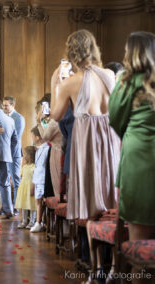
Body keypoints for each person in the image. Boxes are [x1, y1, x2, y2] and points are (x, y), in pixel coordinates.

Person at [50, 29, 120, 220]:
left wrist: (54, 83)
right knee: (108, 182)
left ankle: (90, 245)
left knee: (90, 190)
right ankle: (109, 242)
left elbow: (56, 115)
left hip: (87, 138)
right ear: (93, 48)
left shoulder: (70, 83)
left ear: (71, 53)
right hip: (109, 136)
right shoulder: (109, 74)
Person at [109, 31, 155, 253]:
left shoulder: (126, 80)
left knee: (139, 244)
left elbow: (116, 119)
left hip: (138, 157)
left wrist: (133, 133)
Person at [36, 96, 63, 198]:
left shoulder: (56, 121)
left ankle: (59, 208)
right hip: (66, 151)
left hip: (57, 153)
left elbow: (45, 136)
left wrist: (39, 121)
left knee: (57, 184)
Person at [3, 96, 25, 211]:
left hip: (14, 153)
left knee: (16, 180)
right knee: (5, 181)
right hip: (4, 154)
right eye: (3, 105)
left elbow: (16, 137)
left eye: (6, 105)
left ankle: (17, 207)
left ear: (13, 105)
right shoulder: (3, 117)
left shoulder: (19, 118)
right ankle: (7, 207)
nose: (4, 107)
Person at [30, 126, 50, 233]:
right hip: (37, 178)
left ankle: (39, 222)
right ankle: (39, 222)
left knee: (41, 201)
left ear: (38, 137)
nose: (32, 138)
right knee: (37, 201)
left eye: (32, 136)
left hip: (43, 178)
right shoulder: (38, 149)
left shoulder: (47, 148)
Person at [15, 146, 37, 229]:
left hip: (31, 187)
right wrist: (23, 164)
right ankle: (24, 221)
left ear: (30, 155)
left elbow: (34, 178)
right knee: (24, 204)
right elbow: (21, 175)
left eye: (26, 154)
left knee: (31, 205)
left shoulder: (34, 166)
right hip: (23, 188)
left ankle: (32, 221)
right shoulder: (24, 166)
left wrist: (33, 187)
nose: (24, 156)